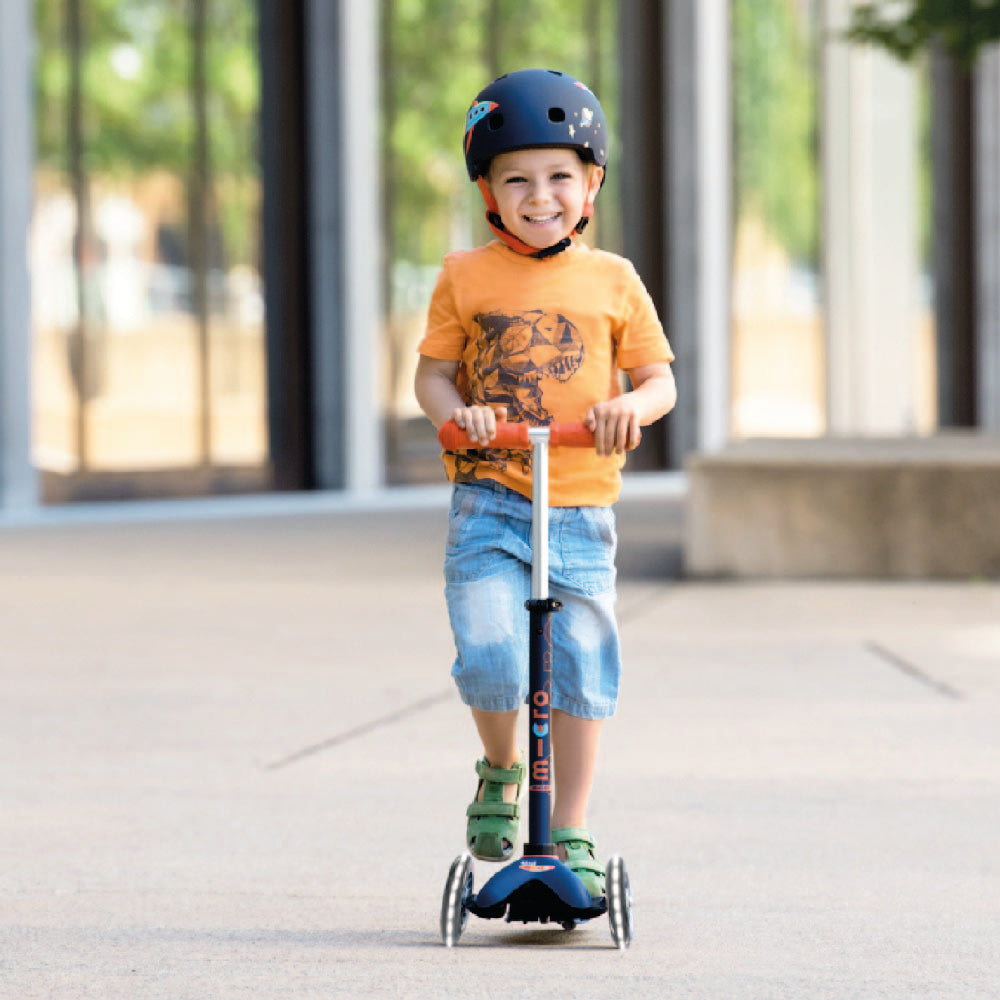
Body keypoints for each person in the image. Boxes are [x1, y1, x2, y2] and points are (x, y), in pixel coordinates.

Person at [414, 68, 676, 897]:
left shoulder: (614, 281)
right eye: (516, 179)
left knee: (585, 665)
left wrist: (628, 408)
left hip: (581, 503)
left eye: (560, 175)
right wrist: (460, 417)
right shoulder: (464, 277)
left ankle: (571, 828)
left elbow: (660, 382)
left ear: (591, 182)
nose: (540, 195)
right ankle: (499, 768)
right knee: (491, 651)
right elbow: (431, 379)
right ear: (487, 191)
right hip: (490, 499)